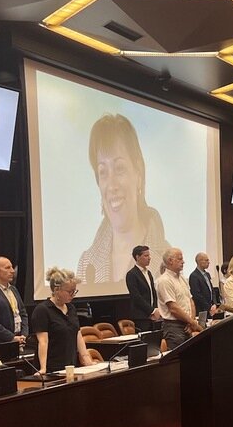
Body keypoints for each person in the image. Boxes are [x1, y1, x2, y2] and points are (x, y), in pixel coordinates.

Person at [77, 114, 170, 284]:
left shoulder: (167, 255)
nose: (111, 185)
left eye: (119, 169)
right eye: (103, 172)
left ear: (138, 174)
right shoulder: (86, 263)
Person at [31, 267, 92, 373]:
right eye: (69, 291)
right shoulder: (43, 310)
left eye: (75, 291)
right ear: (56, 290)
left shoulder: (71, 308)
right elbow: (43, 341)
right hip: (52, 368)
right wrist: (43, 368)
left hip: (70, 366)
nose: (73, 295)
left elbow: (78, 335)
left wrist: (86, 359)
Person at [156, 248, 202, 350]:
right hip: (174, 327)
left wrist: (191, 321)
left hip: (187, 324)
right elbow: (173, 308)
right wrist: (191, 322)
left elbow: (190, 301)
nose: (183, 262)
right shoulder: (164, 280)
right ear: (170, 261)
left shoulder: (182, 278)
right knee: (177, 361)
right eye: (180, 259)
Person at [125, 245, 160, 332]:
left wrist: (155, 309)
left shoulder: (149, 273)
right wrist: (151, 311)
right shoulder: (132, 274)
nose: (149, 258)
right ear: (137, 257)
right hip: (141, 316)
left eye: (149, 255)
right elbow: (136, 297)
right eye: (146, 256)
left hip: (153, 315)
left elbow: (153, 293)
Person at [189, 252, 217, 318]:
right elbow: (197, 295)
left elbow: (212, 290)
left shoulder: (207, 274)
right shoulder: (194, 276)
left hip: (211, 308)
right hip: (201, 310)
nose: (209, 262)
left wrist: (214, 303)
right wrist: (209, 307)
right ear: (200, 261)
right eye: (206, 260)